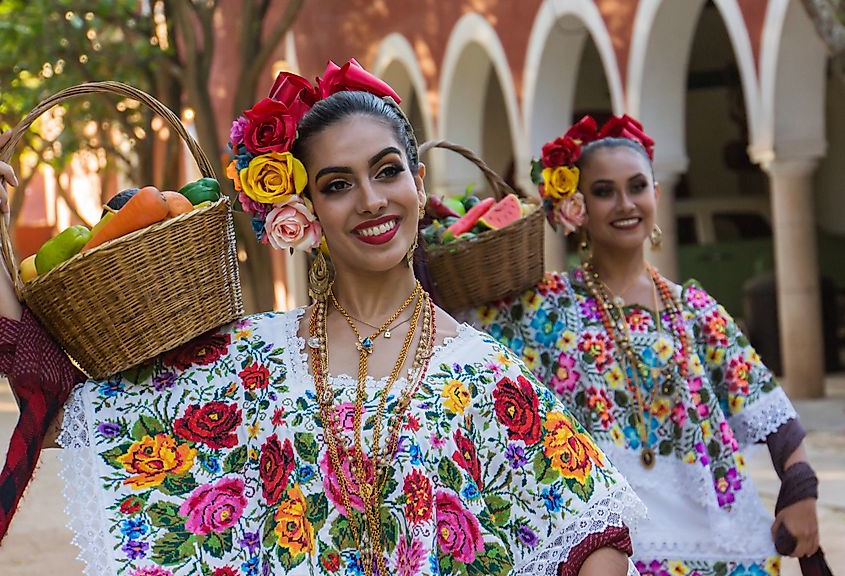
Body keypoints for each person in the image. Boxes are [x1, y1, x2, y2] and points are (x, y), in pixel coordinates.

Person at [0, 62, 645, 575]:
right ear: (303, 209)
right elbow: (61, 401)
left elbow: (595, 538)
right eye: (337, 184)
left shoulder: (487, 377)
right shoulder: (247, 367)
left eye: (387, 172)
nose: (371, 201)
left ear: (419, 183)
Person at [466, 115, 829, 575]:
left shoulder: (692, 308)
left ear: (655, 194)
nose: (625, 204)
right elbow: (458, 346)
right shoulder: (542, 308)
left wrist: (800, 486)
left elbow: (762, 399)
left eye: (637, 186)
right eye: (604, 191)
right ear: (575, 206)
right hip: (608, 546)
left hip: (715, 543)